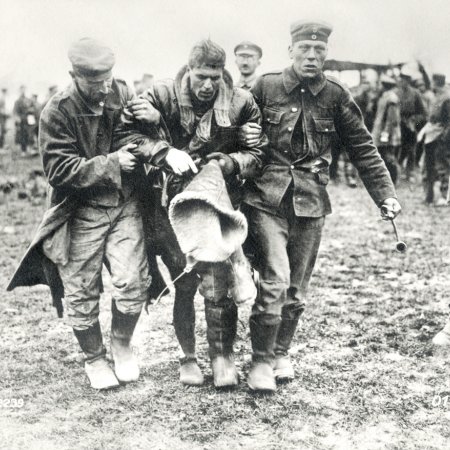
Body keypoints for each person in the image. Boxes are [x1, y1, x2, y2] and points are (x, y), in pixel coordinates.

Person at [7, 38, 183, 390]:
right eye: (95, 82)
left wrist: (153, 120)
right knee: (81, 288)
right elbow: (58, 170)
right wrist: (111, 163)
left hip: (126, 202)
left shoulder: (119, 89)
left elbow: (133, 133)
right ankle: (94, 357)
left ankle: (120, 344)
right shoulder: (56, 111)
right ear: (74, 75)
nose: (105, 88)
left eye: (108, 78)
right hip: (79, 211)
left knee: (133, 281)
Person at [242, 20, 401, 392]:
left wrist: (386, 195)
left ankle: (281, 351)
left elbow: (363, 148)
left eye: (318, 51)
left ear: (325, 54)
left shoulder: (336, 96)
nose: (312, 57)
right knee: (276, 280)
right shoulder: (265, 86)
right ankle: (261, 362)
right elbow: (237, 128)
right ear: (291, 51)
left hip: (312, 202)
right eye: (304, 50)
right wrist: (244, 135)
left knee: (296, 289)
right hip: (266, 200)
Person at [130, 38, 266, 388]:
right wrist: (164, 152)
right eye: (201, 76)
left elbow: (258, 154)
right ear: (189, 70)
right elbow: (127, 135)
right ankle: (188, 357)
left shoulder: (240, 101)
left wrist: (230, 162)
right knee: (186, 282)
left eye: (215, 76)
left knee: (219, 281)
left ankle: (222, 356)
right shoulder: (161, 95)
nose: (208, 84)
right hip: (170, 205)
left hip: (217, 203)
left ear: (224, 73)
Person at [419, 73, 450, 206]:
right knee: (427, 166)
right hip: (431, 134)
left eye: (432, 81)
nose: (430, 84)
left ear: (436, 82)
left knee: (442, 166)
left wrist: (444, 137)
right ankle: (429, 196)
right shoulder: (436, 96)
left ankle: (445, 196)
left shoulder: (446, 97)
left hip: (441, 135)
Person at [396, 66, 427, 181]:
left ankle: (410, 173)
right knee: (397, 149)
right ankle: (396, 171)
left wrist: (413, 121)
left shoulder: (415, 93)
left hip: (410, 125)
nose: (403, 81)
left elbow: (423, 113)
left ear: (409, 81)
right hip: (397, 125)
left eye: (405, 79)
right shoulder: (395, 92)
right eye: (401, 79)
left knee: (411, 150)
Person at [371, 74, 401, 184]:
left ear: (384, 85)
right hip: (381, 133)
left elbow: (391, 120)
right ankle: (385, 180)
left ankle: (393, 180)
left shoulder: (391, 98)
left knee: (388, 157)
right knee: (382, 156)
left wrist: (385, 135)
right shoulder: (384, 97)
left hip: (387, 135)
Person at [13, 85, 34, 154]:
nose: (23, 91)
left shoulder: (28, 100)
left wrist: (30, 110)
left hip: (28, 119)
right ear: (19, 91)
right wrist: (17, 119)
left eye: (24, 89)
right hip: (22, 120)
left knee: (30, 134)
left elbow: (32, 108)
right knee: (22, 135)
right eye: (21, 90)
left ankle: (30, 149)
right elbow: (15, 111)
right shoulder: (17, 101)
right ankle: (23, 150)